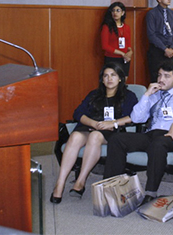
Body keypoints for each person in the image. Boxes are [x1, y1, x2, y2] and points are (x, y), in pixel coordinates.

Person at [103, 62, 173, 204]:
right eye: (160, 75)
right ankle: (112, 187)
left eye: (166, 76)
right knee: (117, 139)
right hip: (151, 133)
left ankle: (150, 192)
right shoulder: (154, 95)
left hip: (172, 135)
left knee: (158, 143)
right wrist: (147, 95)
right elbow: (137, 118)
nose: (161, 79)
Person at [50, 63, 137, 203]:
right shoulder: (94, 94)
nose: (109, 79)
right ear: (102, 79)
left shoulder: (128, 96)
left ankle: (80, 181)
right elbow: (78, 113)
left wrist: (112, 123)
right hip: (91, 125)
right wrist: (93, 124)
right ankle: (60, 183)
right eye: (106, 76)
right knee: (75, 136)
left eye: (113, 75)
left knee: (95, 136)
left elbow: (133, 116)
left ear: (120, 78)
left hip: (113, 130)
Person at [146, 0, 173, 82]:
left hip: (170, 51)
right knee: (157, 77)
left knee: (172, 76)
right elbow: (151, 35)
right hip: (157, 50)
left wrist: (172, 48)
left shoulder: (172, 13)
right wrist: (164, 49)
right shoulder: (152, 14)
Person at [100, 2, 132, 78]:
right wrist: (121, 53)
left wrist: (130, 52)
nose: (115, 13)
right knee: (114, 81)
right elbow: (105, 46)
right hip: (112, 58)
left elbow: (129, 44)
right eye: (113, 10)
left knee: (123, 81)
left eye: (118, 10)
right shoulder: (106, 27)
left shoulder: (127, 27)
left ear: (123, 13)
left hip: (125, 59)